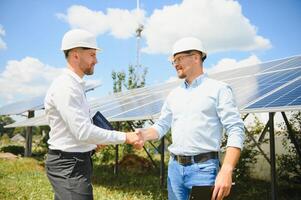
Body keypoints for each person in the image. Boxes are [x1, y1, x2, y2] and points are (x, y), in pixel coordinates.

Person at [136, 37, 245, 200]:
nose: (175, 64)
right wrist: (144, 134)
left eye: (179, 58)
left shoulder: (219, 89)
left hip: (204, 169)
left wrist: (227, 169)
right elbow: (161, 125)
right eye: (173, 61)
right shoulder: (174, 94)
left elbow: (236, 129)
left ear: (196, 57)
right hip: (174, 168)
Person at [44, 29, 141, 200]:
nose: (96, 60)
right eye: (92, 55)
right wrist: (126, 136)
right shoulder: (66, 87)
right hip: (68, 164)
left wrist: (93, 142)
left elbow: (78, 131)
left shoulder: (75, 86)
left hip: (75, 162)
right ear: (75, 55)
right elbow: (83, 131)